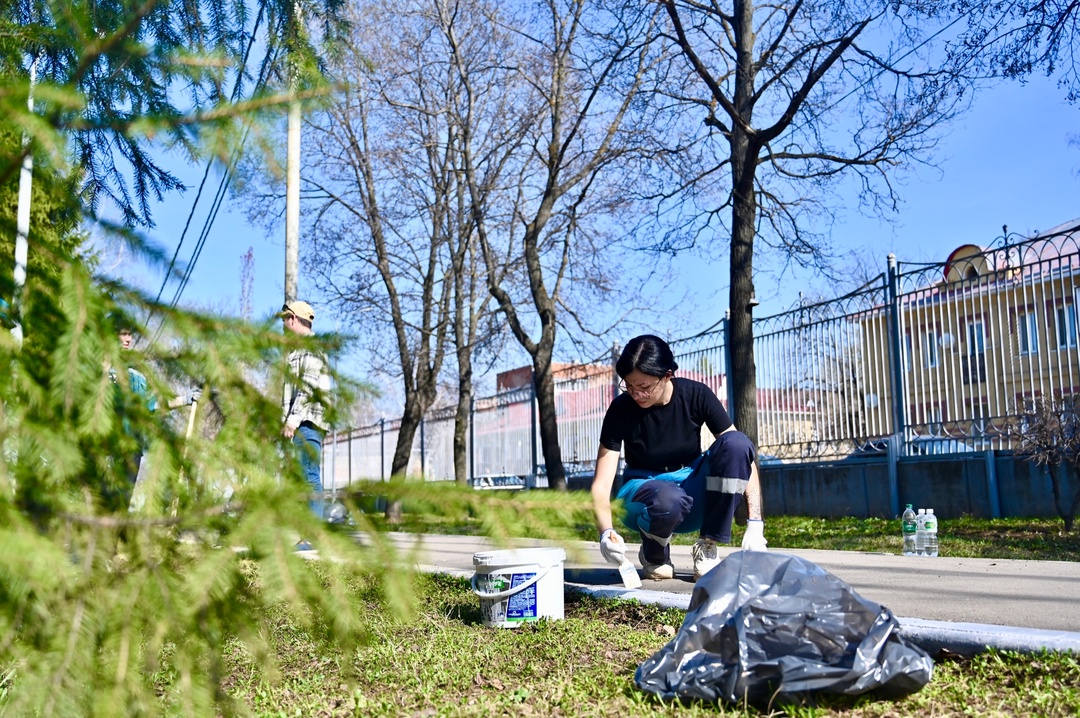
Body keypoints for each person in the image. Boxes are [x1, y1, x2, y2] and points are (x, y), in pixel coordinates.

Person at [591, 334, 767, 581]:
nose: (636, 394)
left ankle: (708, 545)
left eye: (644, 387)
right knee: (667, 498)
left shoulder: (696, 395)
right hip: (641, 492)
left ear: (667, 375)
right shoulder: (621, 409)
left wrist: (755, 523)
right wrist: (605, 531)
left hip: (692, 486)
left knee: (737, 442)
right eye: (629, 386)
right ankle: (655, 552)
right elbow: (601, 483)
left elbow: (742, 456)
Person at [279, 300, 331, 544]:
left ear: (293, 319)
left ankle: (311, 537)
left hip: (307, 422)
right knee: (303, 477)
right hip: (302, 422)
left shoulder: (310, 348)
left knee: (310, 476)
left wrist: (292, 421)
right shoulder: (299, 350)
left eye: (284, 320)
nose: (283, 325)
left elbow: (307, 387)